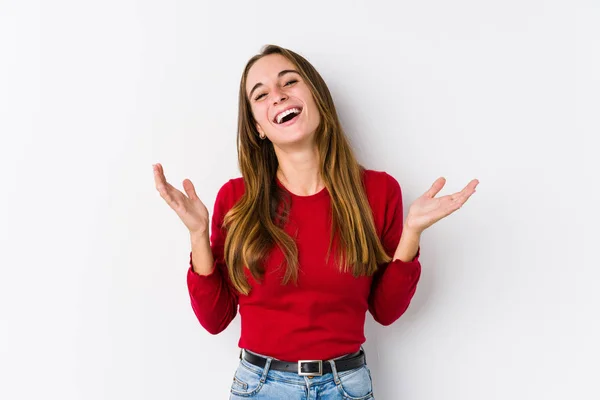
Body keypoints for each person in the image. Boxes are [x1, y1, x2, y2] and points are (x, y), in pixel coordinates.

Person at [153, 44, 478, 399]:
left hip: (347, 386)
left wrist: (412, 233)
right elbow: (215, 320)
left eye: (288, 82)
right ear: (258, 127)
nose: (277, 96)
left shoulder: (378, 191)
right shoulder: (236, 199)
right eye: (260, 94)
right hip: (260, 387)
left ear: (317, 96)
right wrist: (198, 234)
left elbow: (385, 312)